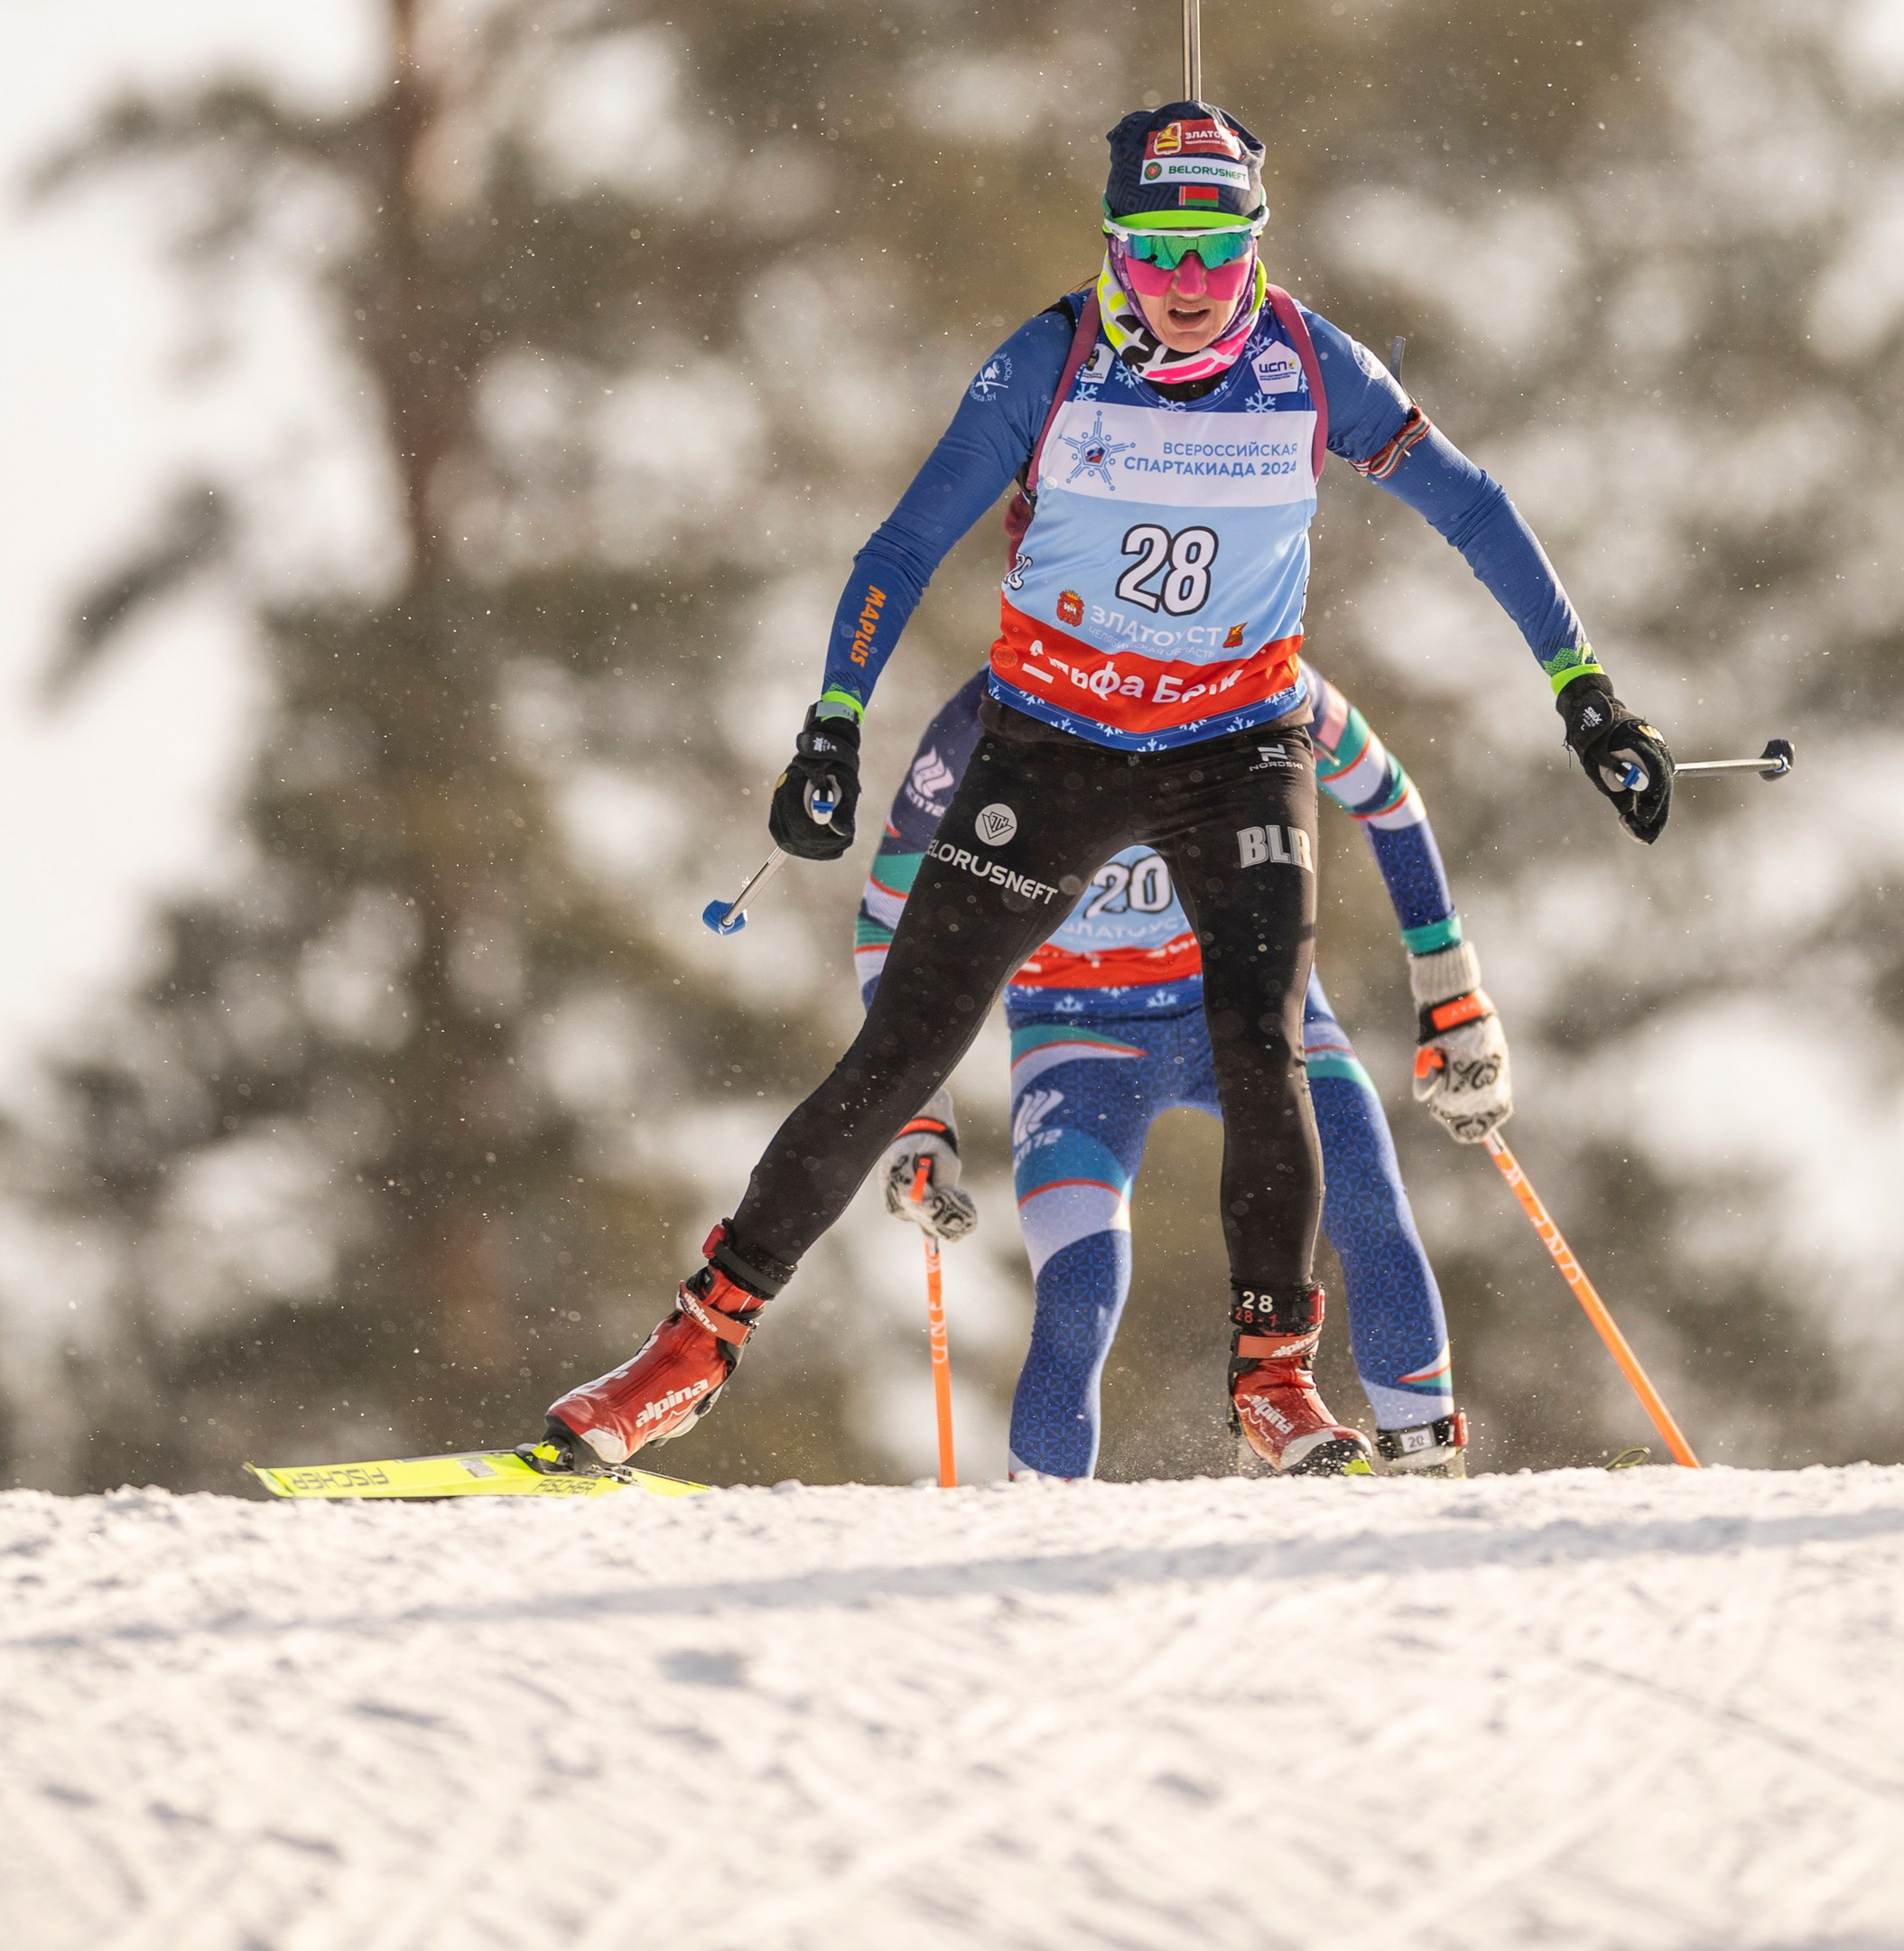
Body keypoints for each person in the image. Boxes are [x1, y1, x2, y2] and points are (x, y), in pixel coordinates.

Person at [543, 98, 1670, 1481]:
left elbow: (1473, 506)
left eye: (1217, 252)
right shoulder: (1050, 361)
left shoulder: (1312, 365)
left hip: (1235, 747)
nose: (1188, 285)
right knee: (904, 1047)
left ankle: (1273, 1378)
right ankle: (691, 1349)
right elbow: (903, 545)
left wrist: (1584, 689)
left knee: (1265, 1042)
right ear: (1112, 247)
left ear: (1256, 244)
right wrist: (832, 727)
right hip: (1056, 748)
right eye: (1154, 251)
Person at [868, 662, 1500, 1481]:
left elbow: (1388, 798)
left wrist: (1451, 993)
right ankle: (1037, 1528)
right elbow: (884, 916)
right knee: (1079, 1293)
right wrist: (917, 1111)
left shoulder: (1258, 663)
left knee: (1369, 1203)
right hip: (1076, 1035)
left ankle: (1429, 1476)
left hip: (1250, 999)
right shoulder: (989, 708)